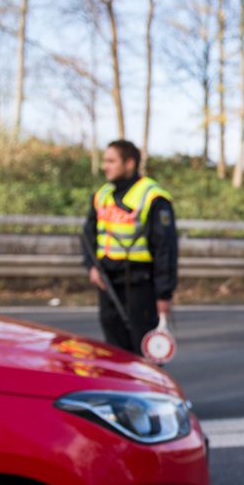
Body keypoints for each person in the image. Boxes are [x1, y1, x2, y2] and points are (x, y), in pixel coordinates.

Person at [83, 139, 178, 355]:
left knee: (143, 353)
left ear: (129, 163)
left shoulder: (153, 197)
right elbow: (88, 236)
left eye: (111, 161)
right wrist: (91, 267)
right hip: (108, 284)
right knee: (114, 350)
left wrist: (164, 294)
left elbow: (166, 248)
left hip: (140, 286)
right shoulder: (102, 195)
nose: (105, 166)